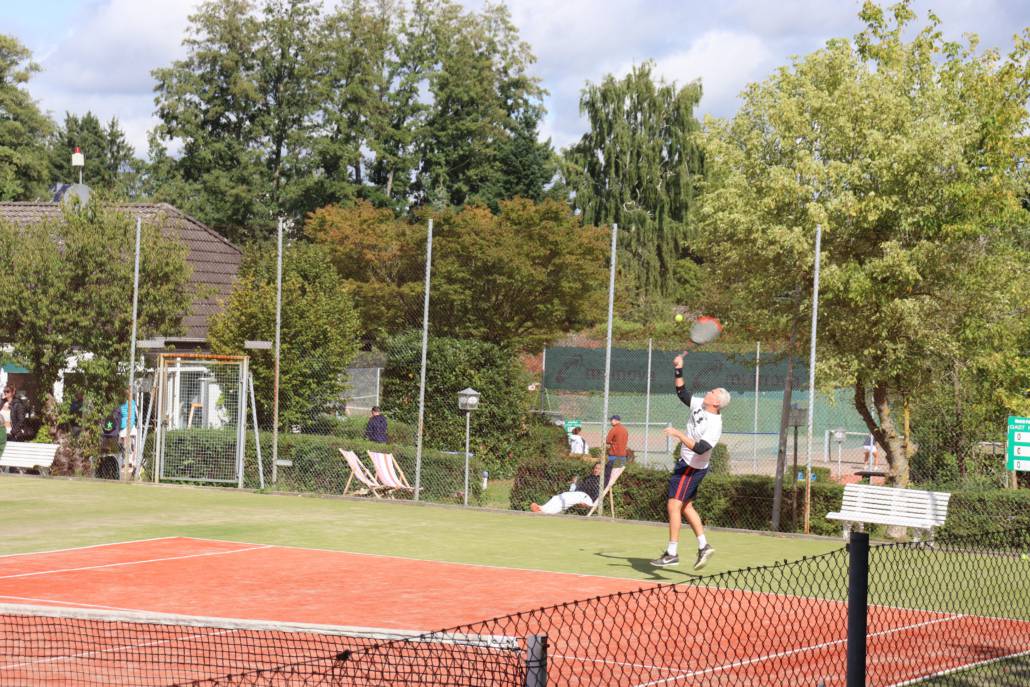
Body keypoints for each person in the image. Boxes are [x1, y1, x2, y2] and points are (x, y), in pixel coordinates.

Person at [650, 351, 731, 570]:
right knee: (686, 507)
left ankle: (672, 553)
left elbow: (701, 448)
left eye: (712, 392)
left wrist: (678, 434)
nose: (709, 392)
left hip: (691, 468)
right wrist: (678, 368)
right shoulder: (700, 405)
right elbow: (682, 393)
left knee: (673, 505)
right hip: (687, 465)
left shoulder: (714, 424)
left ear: (717, 402)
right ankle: (704, 546)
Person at [530, 462, 602, 514]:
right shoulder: (588, 478)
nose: (596, 470)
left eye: (599, 469)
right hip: (579, 495)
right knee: (558, 497)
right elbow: (576, 489)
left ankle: (545, 512)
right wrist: (573, 484)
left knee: (565, 500)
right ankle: (541, 508)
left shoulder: (601, 480)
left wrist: (590, 504)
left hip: (587, 498)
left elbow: (596, 495)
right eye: (595, 468)